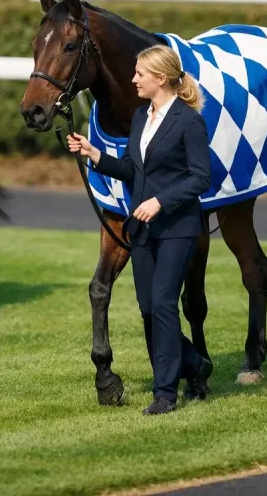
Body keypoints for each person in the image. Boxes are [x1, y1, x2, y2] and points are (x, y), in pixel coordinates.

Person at [66, 45, 213, 415]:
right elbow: (134, 171)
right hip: (143, 229)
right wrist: (94, 155)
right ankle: (194, 364)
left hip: (178, 227)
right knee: (148, 309)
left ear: (160, 78)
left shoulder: (188, 121)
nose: (133, 79)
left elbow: (201, 178)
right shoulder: (138, 118)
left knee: (163, 304)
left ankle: (165, 392)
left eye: (140, 74)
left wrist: (160, 202)